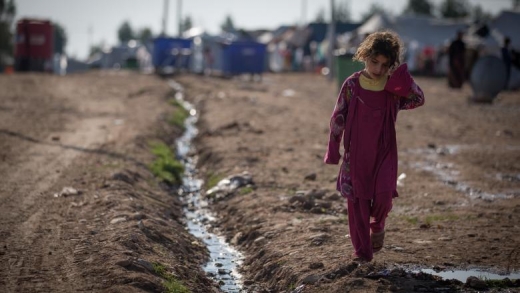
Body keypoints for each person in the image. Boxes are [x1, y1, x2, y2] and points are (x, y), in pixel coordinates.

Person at [324, 31, 425, 262]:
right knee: (357, 205)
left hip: (385, 153)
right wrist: (333, 149)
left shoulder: (392, 88)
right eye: (374, 62)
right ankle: (362, 253)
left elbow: (418, 99)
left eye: (384, 64)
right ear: (364, 56)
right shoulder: (352, 85)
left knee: (383, 198)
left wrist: (402, 80)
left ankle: (378, 225)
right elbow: (338, 117)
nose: (378, 69)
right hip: (356, 156)